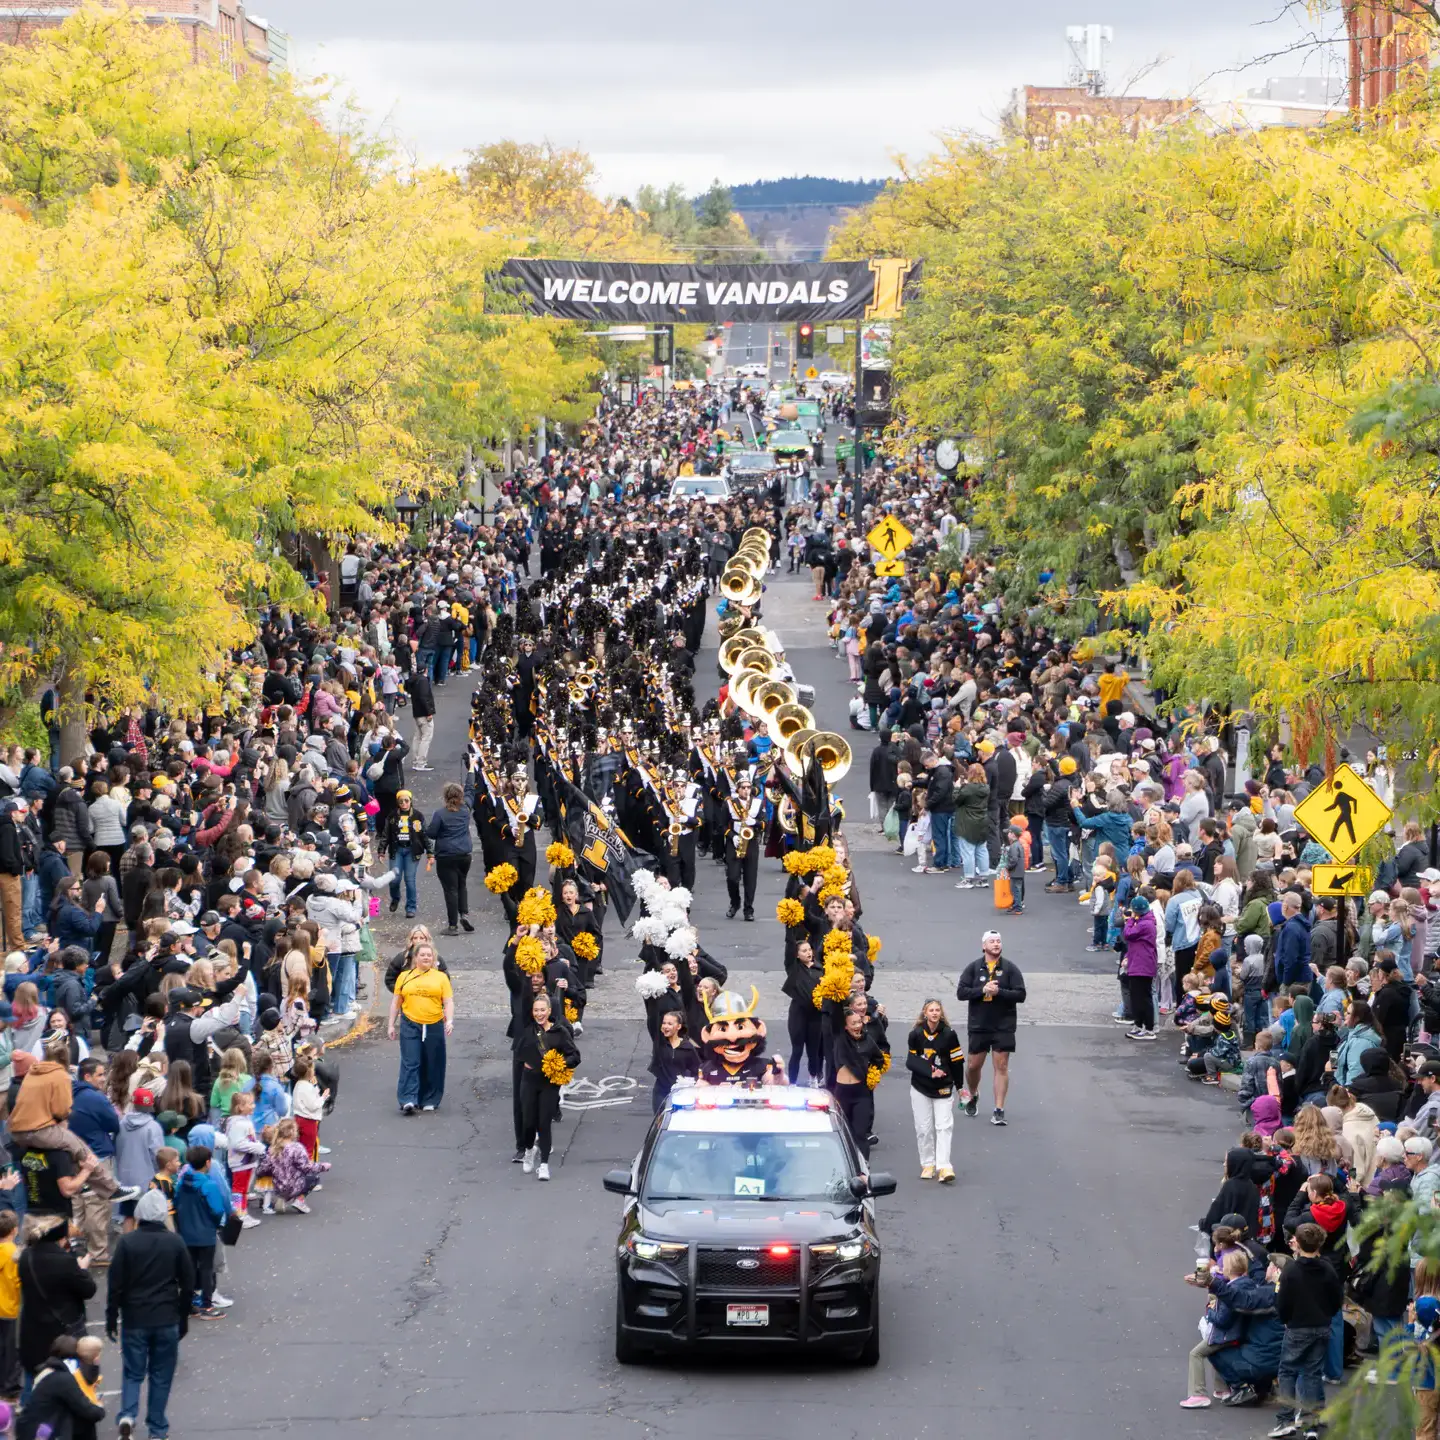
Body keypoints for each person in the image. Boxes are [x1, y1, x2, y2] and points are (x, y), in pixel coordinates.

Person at [106, 1188, 194, 1440]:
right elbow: (188, 1283)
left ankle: (128, 1414)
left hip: (135, 1317)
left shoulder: (127, 1243)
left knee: (133, 1371)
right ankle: (157, 1428)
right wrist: (183, 1317)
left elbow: (115, 1284)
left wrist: (111, 1317)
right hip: (166, 1317)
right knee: (161, 1375)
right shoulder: (175, 1242)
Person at [1270, 1221, 1344, 1438]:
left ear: (1298, 1244)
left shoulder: (1291, 1270)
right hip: (1321, 1326)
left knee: (1287, 1371)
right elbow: (1336, 1298)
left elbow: (1283, 1302)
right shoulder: (1327, 1268)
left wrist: (1285, 1319)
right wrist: (1327, 1314)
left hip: (1297, 1327)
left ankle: (1285, 1419)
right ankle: (1310, 1424)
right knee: (1312, 1373)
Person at [18, 1213, 95, 1397]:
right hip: (61, 1334)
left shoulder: (26, 1257)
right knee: (70, 1382)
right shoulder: (64, 1261)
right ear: (61, 1238)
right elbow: (88, 1290)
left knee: (33, 1382)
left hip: (32, 1331)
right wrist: (82, 1270)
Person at [955, 929, 1026, 1126]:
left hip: (1003, 1025)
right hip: (979, 1024)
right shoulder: (973, 968)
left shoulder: (1010, 969)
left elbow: (1021, 994)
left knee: (1001, 1066)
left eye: (998, 941)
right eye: (992, 941)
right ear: (984, 946)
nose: (996, 944)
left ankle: (999, 1109)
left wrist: (999, 992)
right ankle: (973, 1093)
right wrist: (982, 990)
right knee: (973, 1066)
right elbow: (961, 993)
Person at [516, 991, 579, 1182]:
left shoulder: (560, 1032)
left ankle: (544, 1165)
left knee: (544, 1123)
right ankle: (529, 1149)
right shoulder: (528, 1028)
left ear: (549, 1011)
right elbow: (522, 996)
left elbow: (575, 1056)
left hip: (549, 1084)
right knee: (528, 1122)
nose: (539, 1014)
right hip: (529, 1080)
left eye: (542, 1010)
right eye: (536, 1010)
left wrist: (559, 1063)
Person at [387, 941, 453, 1116]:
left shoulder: (441, 978)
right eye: (422, 955)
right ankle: (408, 1099)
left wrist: (449, 1021)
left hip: (434, 1024)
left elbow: (448, 1001)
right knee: (411, 1061)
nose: (426, 958)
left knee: (433, 1061)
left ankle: (430, 1099)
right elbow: (396, 1002)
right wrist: (391, 1024)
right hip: (410, 1023)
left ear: (433, 959)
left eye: (429, 955)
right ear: (415, 958)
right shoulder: (404, 977)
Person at [906, 999, 963, 1182]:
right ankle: (927, 1164)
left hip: (943, 1086)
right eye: (931, 1010)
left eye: (937, 1010)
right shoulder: (916, 1034)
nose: (935, 1013)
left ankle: (944, 1166)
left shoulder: (949, 1034)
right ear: (925, 1013)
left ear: (941, 1013)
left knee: (944, 1126)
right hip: (920, 1087)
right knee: (923, 1128)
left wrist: (960, 1087)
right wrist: (929, 1071)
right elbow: (911, 1061)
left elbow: (957, 1062)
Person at [173, 1144, 230, 1321]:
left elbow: (176, 1202)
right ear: (207, 1162)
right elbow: (217, 1210)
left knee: (189, 1268)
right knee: (206, 1269)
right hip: (205, 1233)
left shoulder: (182, 1183)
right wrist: (216, 1224)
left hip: (186, 1232)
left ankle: (188, 1304)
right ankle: (206, 1305)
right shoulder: (208, 1185)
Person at [15, 1334, 105, 1440]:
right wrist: (99, 1408)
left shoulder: (48, 1370)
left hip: (32, 1428)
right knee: (85, 1423)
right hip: (40, 1434)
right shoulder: (63, 1379)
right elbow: (88, 1410)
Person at [425, 783, 473, 937]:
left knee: (450, 889)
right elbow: (471, 793)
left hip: (446, 855)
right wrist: (471, 771)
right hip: (464, 854)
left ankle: (453, 925)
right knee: (462, 884)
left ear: (445, 796)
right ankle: (464, 914)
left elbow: (431, 833)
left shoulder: (440, 814)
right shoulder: (465, 810)